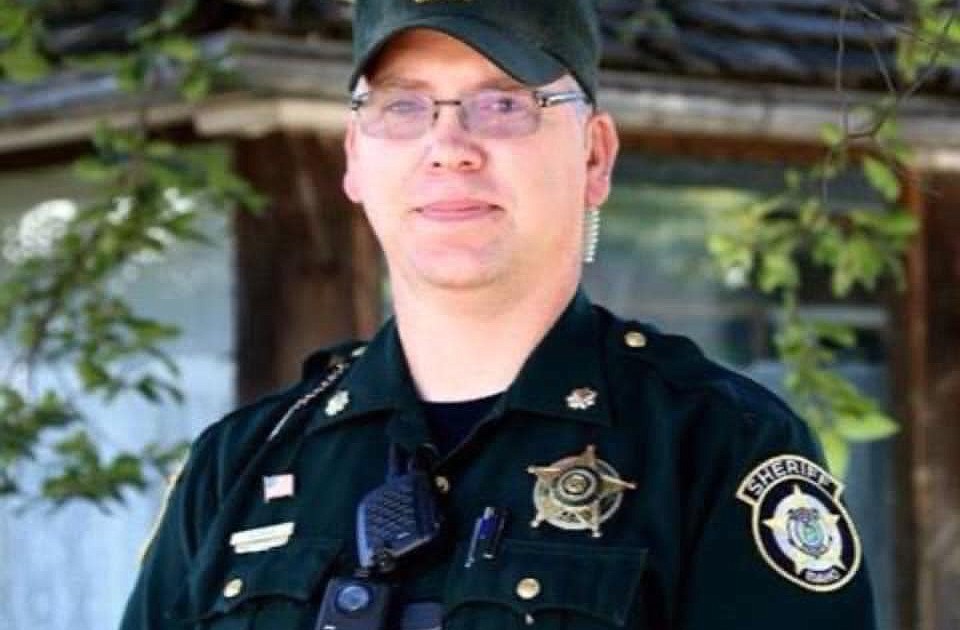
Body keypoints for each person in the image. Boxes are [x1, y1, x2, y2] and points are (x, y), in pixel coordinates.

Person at [120, 0, 878, 628]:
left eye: (504, 104)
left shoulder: (717, 447)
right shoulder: (240, 466)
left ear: (594, 156)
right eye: (403, 106)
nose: (448, 146)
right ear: (354, 157)